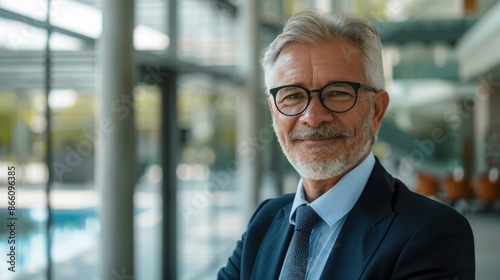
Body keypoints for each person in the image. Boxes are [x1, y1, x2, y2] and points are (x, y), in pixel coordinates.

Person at [218, 10, 475, 280]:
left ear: (376, 110)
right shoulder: (266, 220)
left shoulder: (432, 233)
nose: (313, 118)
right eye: (292, 96)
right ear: (274, 112)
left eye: (338, 93)